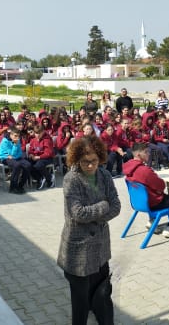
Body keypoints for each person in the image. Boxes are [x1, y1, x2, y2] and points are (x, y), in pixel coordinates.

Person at [58, 135, 120, 325]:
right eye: (85, 162)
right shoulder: (71, 179)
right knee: (80, 302)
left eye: (94, 160)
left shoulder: (105, 175)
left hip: (100, 246)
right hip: (79, 249)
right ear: (76, 159)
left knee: (102, 293)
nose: (91, 165)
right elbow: (78, 213)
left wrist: (98, 214)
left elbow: (116, 206)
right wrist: (103, 206)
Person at [123, 143, 169, 237]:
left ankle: (152, 221)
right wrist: (160, 180)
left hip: (139, 203)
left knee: (163, 195)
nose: (149, 154)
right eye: (146, 152)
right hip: (154, 203)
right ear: (138, 155)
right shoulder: (144, 171)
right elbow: (161, 186)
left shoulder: (128, 168)